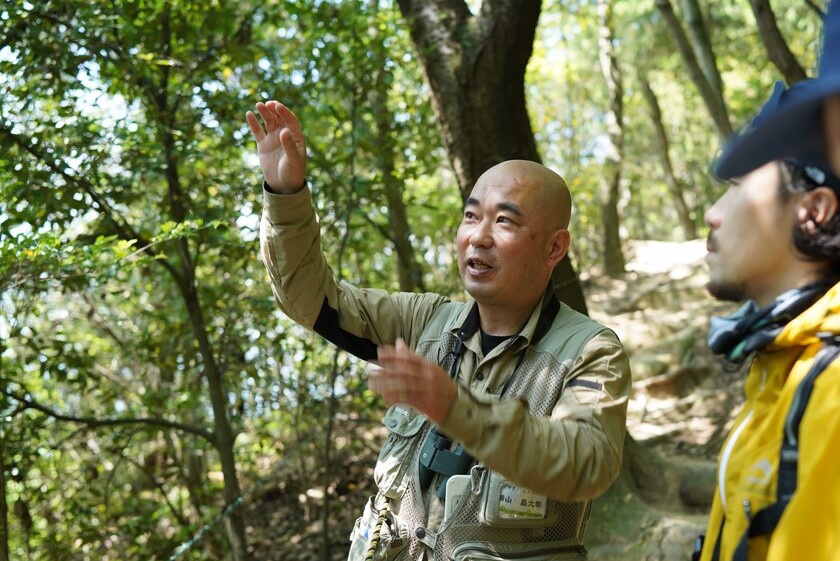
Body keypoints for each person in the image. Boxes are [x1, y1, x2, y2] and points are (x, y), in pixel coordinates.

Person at [246, 100, 631, 561]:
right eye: (471, 216)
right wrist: (285, 195)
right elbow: (313, 300)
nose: (478, 236)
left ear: (555, 247)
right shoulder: (426, 321)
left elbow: (586, 461)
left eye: (504, 220)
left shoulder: (589, 350)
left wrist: (455, 406)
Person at [695, 4, 840, 560]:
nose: (712, 213)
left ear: (815, 210)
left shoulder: (829, 391)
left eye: (737, 186)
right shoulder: (781, 369)